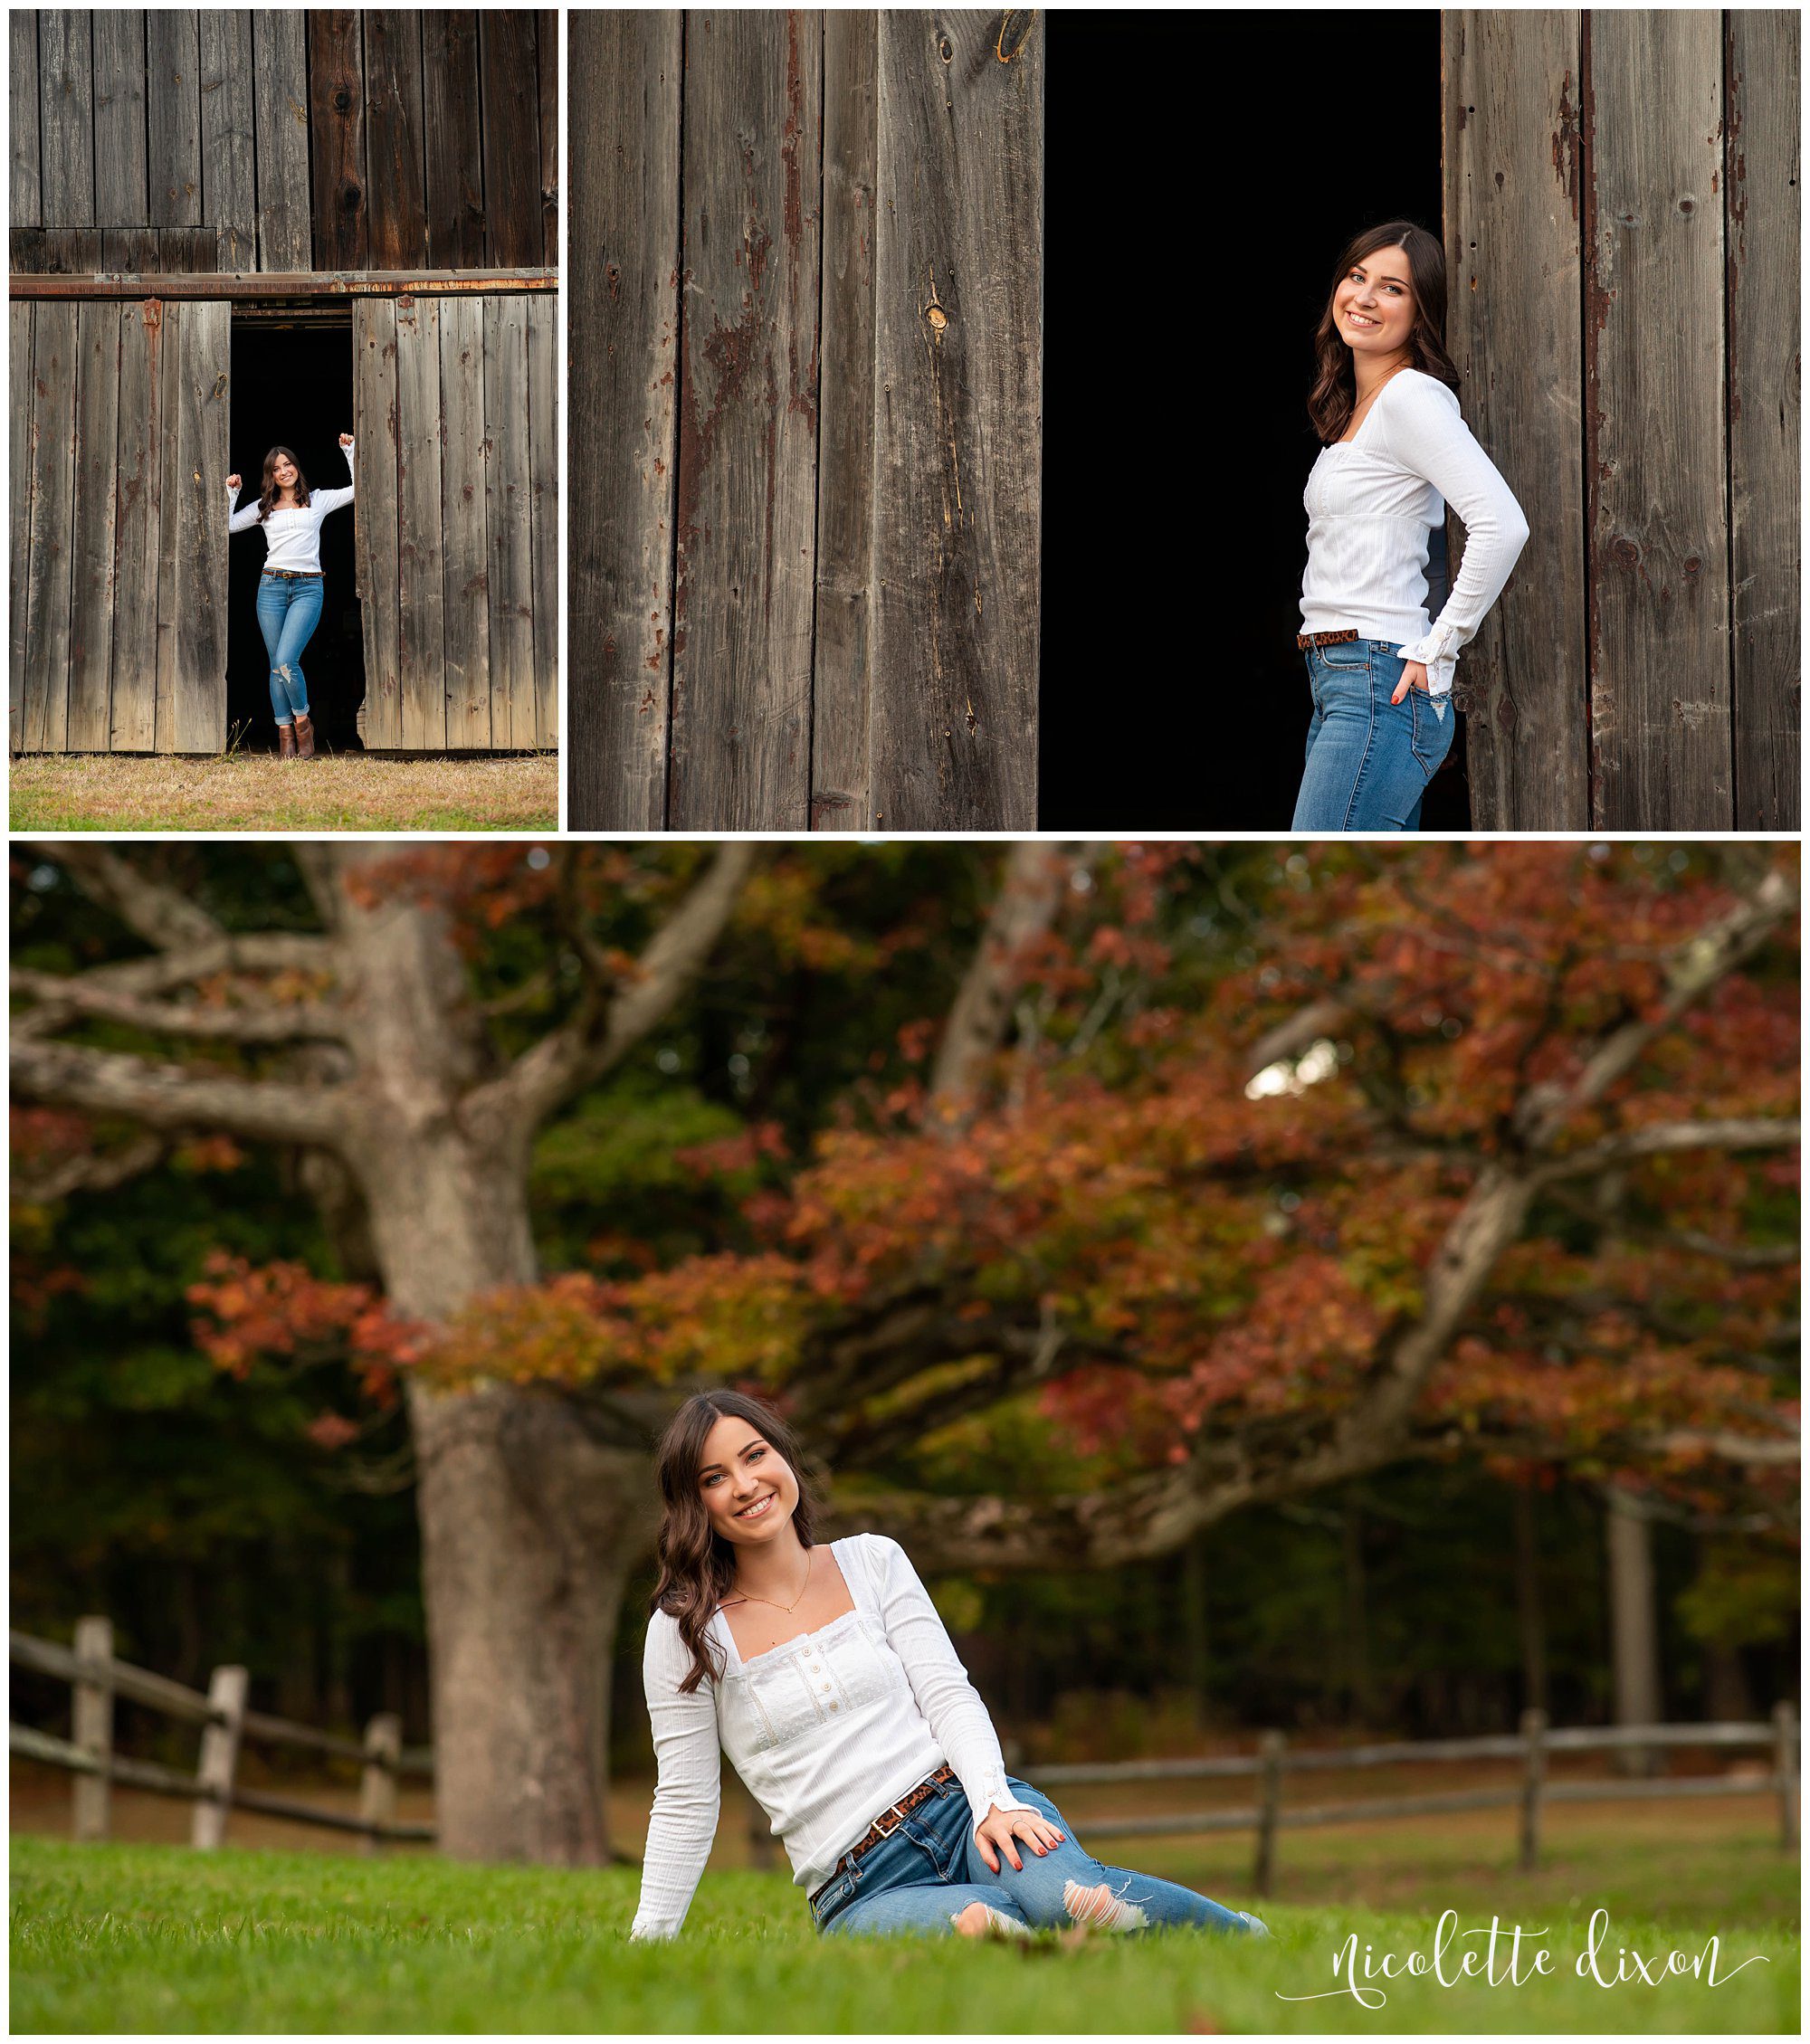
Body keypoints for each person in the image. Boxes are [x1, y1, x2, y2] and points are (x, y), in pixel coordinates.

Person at [629, 1388, 1272, 1942]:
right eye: (714, 1477)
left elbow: (946, 1691)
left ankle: (1240, 1939)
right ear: (695, 1503)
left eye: (754, 1455)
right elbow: (686, 1799)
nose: (744, 1485)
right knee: (989, 1928)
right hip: (859, 1887)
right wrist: (650, 1945)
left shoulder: (873, 1561)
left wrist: (992, 1801)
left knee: (1072, 1903)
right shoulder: (684, 1631)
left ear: (784, 1455)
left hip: (963, 1808)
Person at [1293, 221, 1530, 832]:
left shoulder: (1410, 398)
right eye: (1356, 276)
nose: (1365, 297)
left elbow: (1502, 525)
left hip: (1377, 679)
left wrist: (1440, 644)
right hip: (1342, 679)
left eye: (1392, 288)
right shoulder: (1358, 411)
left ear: (1421, 312)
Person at [225, 436, 355, 758]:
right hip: (271, 587)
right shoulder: (263, 508)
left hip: (308, 587)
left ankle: (302, 723)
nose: (284, 471)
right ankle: (285, 736)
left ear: (296, 467)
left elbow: (358, 490)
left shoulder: (318, 500)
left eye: (288, 464)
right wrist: (233, 493)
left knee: (286, 661)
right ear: (270, 475)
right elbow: (227, 525)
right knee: (275, 666)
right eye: (276, 468)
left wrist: (348, 451)